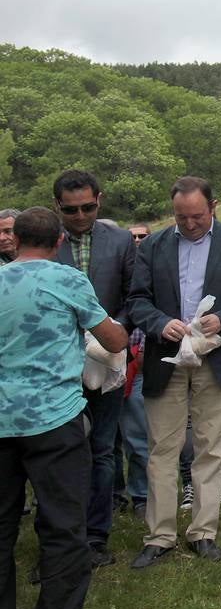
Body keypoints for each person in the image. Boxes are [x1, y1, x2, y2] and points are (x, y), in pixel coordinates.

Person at [0, 208, 127, 609]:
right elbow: (112, 340)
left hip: (1, 420)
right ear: (57, 242)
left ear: (14, 241)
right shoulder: (66, 279)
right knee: (63, 528)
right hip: (53, 420)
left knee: (1, 527)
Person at [126, 176, 221, 568]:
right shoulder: (153, 245)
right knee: (162, 448)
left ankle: (203, 532)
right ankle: (160, 535)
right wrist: (158, 322)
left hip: (215, 356)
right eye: (181, 217)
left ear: (214, 207)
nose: (189, 225)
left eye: (197, 217)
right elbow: (137, 300)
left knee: (211, 447)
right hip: (165, 358)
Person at [52, 170, 134, 570]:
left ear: (99, 201)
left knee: (103, 448)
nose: (80, 215)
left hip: (108, 358)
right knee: (60, 453)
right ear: (58, 208)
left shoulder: (119, 241)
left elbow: (135, 294)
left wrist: (112, 331)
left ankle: (96, 537)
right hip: (57, 364)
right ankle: (60, 537)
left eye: (88, 207)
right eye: (71, 210)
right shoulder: (47, 245)